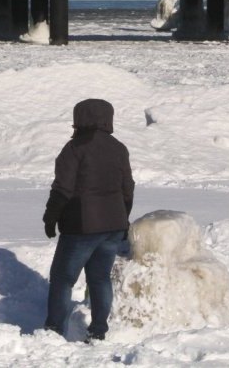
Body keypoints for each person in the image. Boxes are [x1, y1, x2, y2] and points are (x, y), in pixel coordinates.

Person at [43, 98, 134, 342]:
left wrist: (50, 218)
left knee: (63, 279)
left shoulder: (74, 149)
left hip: (81, 225)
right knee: (100, 278)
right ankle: (98, 331)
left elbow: (62, 189)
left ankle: (53, 331)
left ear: (79, 119)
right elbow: (128, 188)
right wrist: (124, 218)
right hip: (113, 225)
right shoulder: (118, 148)